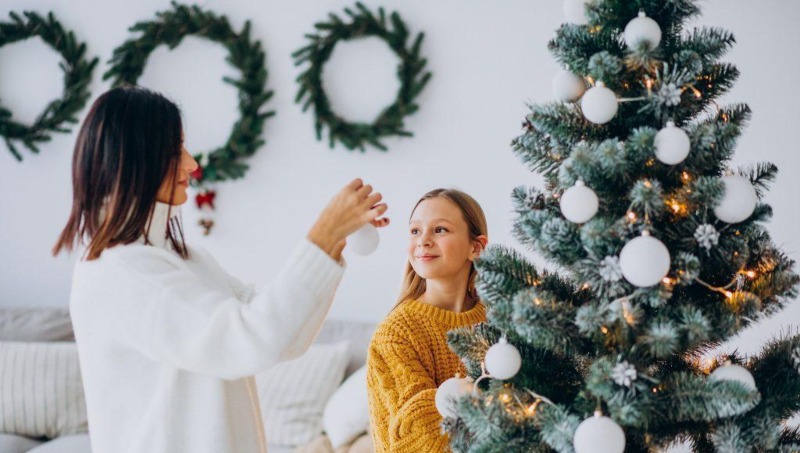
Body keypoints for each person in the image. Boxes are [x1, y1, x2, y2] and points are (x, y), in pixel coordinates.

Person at [52, 86, 389, 453]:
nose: (191, 163)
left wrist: (334, 241)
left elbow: (281, 336)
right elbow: (250, 339)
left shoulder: (182, 260)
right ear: (136, 157)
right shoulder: (121, 274)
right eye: (174, 148)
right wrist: (323, 235)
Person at [366, 188, 488, 452]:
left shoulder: (501, 319)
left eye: (440, 230)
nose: (423, 241)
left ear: (475, 247)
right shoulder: (396, 333)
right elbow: (415, 437)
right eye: (415, 231)